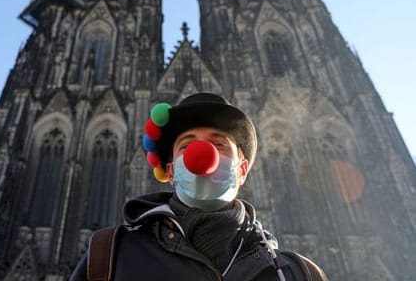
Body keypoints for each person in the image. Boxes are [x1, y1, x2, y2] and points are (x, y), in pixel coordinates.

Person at [70, 92, 327, 280]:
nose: (202, 153)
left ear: (242, 170)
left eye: (219, 144)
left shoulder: (299, 274)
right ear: (169, 171)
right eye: (186, 145)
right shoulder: (107, 258)